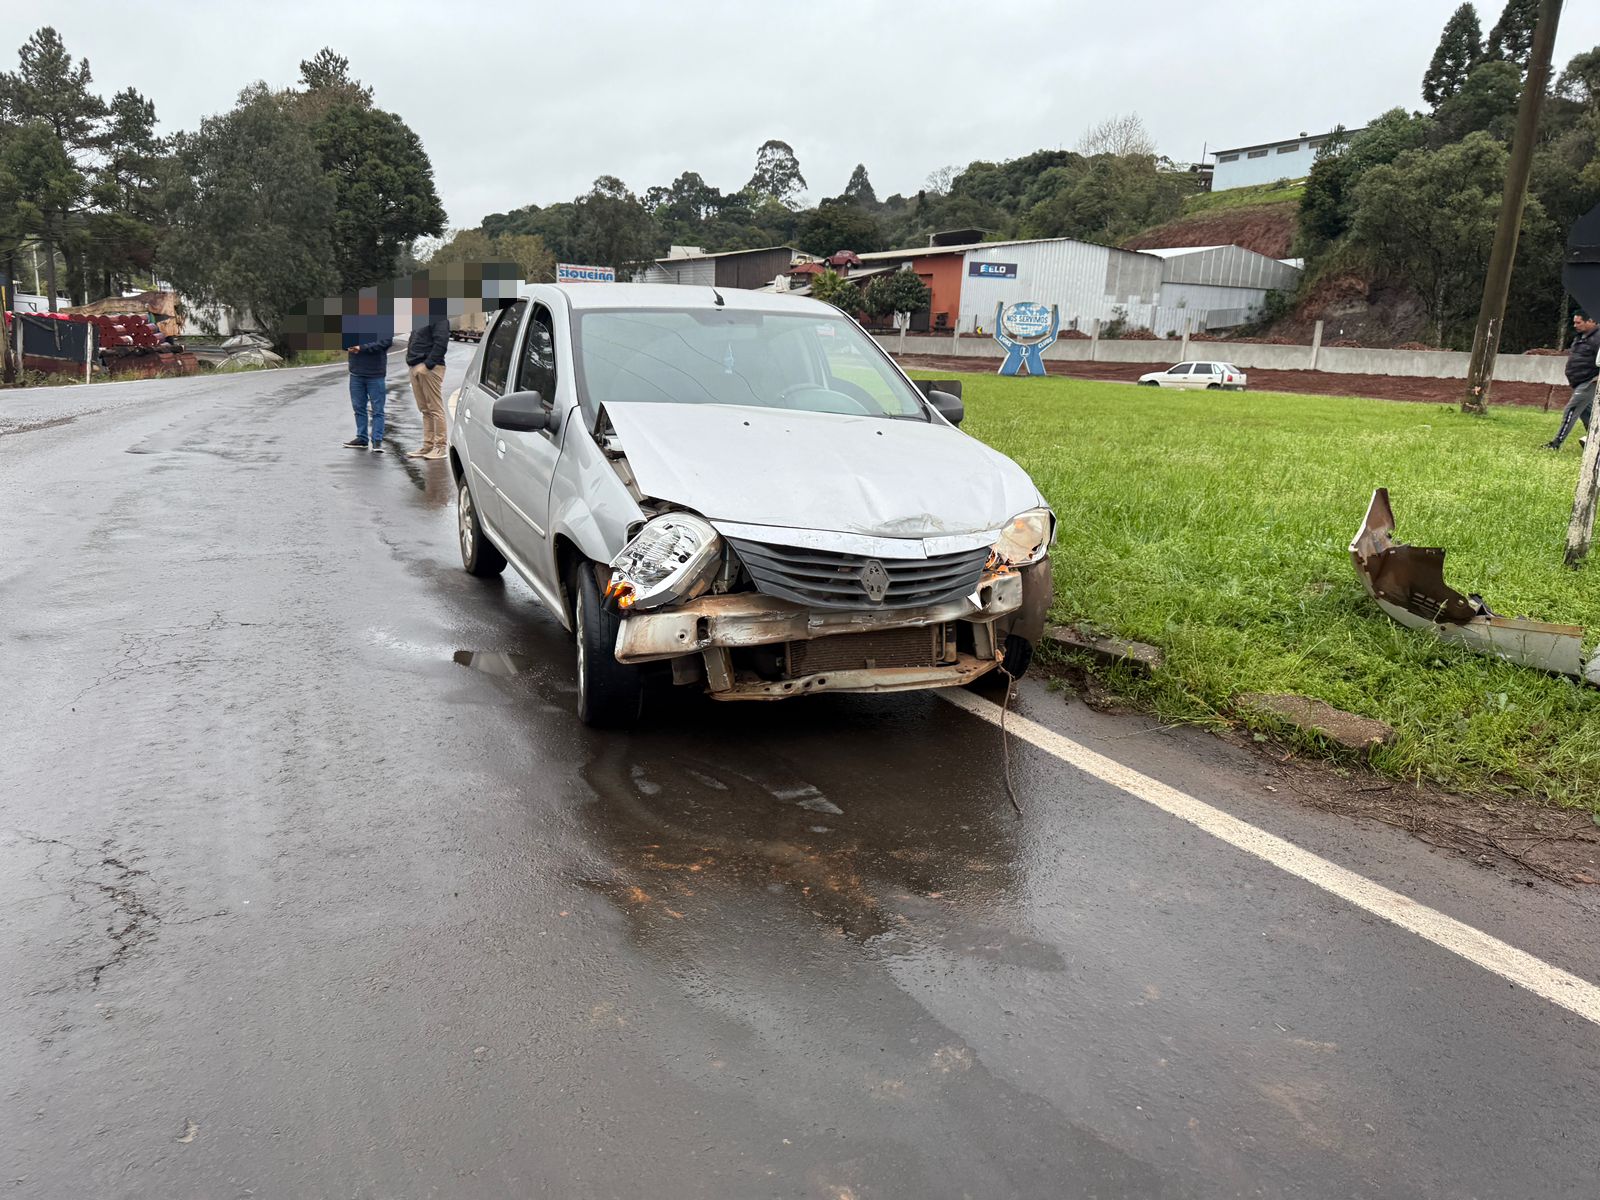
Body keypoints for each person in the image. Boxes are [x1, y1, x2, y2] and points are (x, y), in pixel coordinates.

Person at [343, 296, 393, 452]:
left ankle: (377, 440)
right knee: (359, 407)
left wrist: (362, 347)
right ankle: (362, 438)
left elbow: (384, 342)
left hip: (375, 373)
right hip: (356, 372)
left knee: (377, 409)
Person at [1544, 311, 1598, 451]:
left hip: (1589, 381)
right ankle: (1594, 442)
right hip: (1578, 382)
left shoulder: (1598, 338)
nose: (1575, 325)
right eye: (1574, 322)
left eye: (1578, 322)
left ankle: (1556, 443)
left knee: (1571, 410)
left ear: (1591, 321)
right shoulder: (1580, 337)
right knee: (1588, 415)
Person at [406, 300, 451, 460]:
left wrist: (428, 365)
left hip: (429, 368)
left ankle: (440, 447)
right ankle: (428, 446)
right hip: (415, 366)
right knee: (425, 410)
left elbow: (441, 342)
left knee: (435, 409)